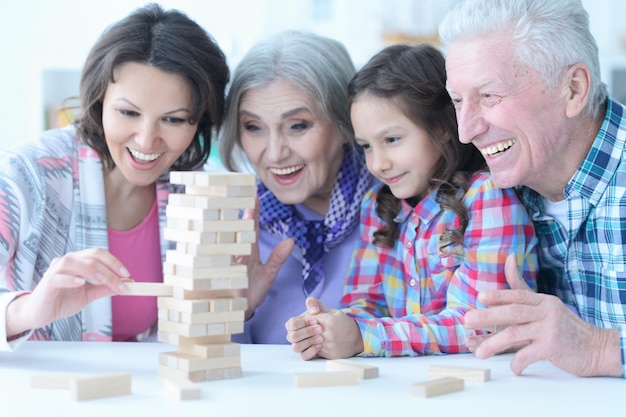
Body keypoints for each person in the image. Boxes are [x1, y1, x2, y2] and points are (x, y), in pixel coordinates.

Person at [285, 43, 538, 359]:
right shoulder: (377, 207)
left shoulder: (488, 199)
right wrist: (331, 328)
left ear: (443, 128)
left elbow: (476, 324)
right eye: (366, 146)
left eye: (391, 140)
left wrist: (366, 337)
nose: (378, 164)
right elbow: (365, 303)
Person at [0, 3, 229, 350]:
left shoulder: (197, 197)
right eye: (128, 112)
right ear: (99, 102)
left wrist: (243, 300)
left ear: (200, 122)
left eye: (174, 119)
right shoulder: (26, 174)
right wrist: (26, 310)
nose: (146, 140)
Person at [439, 0, 626, 378]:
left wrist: (600, 348)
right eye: (457, 101)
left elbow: (586, 349)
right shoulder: (493, 193)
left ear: (573, 89)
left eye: (488, 96)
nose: (466, 131)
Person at [219, 30, 375, 344]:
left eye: (298, 126)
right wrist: (234, 312)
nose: (275, 153)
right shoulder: (234, 225)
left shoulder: (397, 212)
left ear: (346, 125)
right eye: (254, 127)